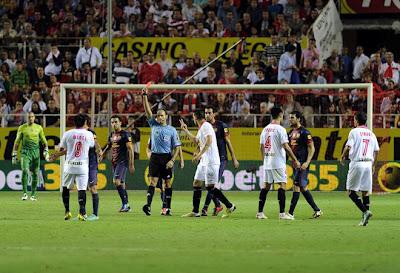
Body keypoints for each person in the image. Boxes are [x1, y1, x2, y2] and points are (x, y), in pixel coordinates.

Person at [180, 110, 236, 218]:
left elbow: (209, 141)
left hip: (211, 161)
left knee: (210, 187)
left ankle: (229, 206)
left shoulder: (206, 126)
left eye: (193, 117)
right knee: (196, 183)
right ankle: (195, 211)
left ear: (195, 117)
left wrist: (199, 155)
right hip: (204, 161)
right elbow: (197, 141)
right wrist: (186, 131)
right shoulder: (202, 127)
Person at [142, 86, 182, 216]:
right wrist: (144, 96)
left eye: (162, 115)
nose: (159, 117)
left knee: (167, 183)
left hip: (166, 158)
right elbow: (148, 111)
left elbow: (177, 147)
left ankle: (166, 208)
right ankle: (148, 206)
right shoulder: (153, 125)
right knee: (153, 182)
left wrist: (173, 160)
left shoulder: (172, 130)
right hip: (155, 157)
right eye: (158, 115)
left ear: (166, 116)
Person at [257, 107, 300, 220]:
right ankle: (282, 214)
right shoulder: (281, 129)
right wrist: (295, 159)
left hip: (267, 162)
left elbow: (261, 147)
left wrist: (264, 160)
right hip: (278, 162)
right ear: (280, 115)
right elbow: (286, 146)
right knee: (282, 185)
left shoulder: (265, 129)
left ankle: (260, 212)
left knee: (266, 186)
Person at [49, 114, 94, 221]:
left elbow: (62, 148)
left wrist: (56, 154)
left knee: (65, 187)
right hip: (82, 166)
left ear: (74, 122)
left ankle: (67, 211)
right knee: (82, 189)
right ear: (85, 122)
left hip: (69, 165)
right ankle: (82, 212)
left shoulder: (67, 134)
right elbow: (91, 146)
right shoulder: (89, 134)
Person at [340, 112, 379, 226]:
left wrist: (342, 156)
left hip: (357, 163)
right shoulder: (371, 133)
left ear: (356, 120)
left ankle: (365, 211)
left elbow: (348, 146)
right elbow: (377, 151)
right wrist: (373, 165)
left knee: (351, 192)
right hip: (368, 163)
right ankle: (364, 219)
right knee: (365, 191)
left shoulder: (354, 131)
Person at [201, 106, 240, 216]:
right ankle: (219, 205)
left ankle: (205, 208)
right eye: (205, 113)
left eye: (209, 113)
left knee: (211, 185)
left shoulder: (222, 126)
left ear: (214, 114)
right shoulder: (204, 127)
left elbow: (228, 141)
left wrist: (234, 158)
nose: (207, 115)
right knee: (209, 186)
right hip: (210, 159)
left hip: (221, 159)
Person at [287, 111, 322, 219]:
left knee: (296, 186)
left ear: (298, 119)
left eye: (292, 117)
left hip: (302, 164)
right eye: (289, 117)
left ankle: (290, 213)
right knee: (303, 188)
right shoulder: (290, 133)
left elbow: (312, 148)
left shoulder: (305, 132)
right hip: (295, 163)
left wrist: (307, 162)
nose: (290, 119)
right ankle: (317, 210)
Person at [100, 116, 135, 212]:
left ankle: (125, 204)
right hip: (114, 162)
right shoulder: (111, 135)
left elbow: (130, 149)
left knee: (116, 181)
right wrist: (102, 154)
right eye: (112, 122)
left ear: (120, 123)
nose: (114, 124)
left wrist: (131, 164)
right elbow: (108, 146)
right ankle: (126, 205)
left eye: (116, 122)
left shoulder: (125, 134)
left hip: (122, 161)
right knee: (121, 184)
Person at [12, 112, 49, 201]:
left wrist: (46, 150)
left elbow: (44, 140)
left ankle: (33, 195)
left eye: (32, 117)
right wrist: (14, 154)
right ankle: (25, 193)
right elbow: (17, 142)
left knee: (36, 173)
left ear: (34, 117)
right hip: (25, 153)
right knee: (25, 171)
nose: (31, 118)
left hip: (35, 153)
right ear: (27, 118)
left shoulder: (39, 128)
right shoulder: (22, 128)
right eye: (29, 117)